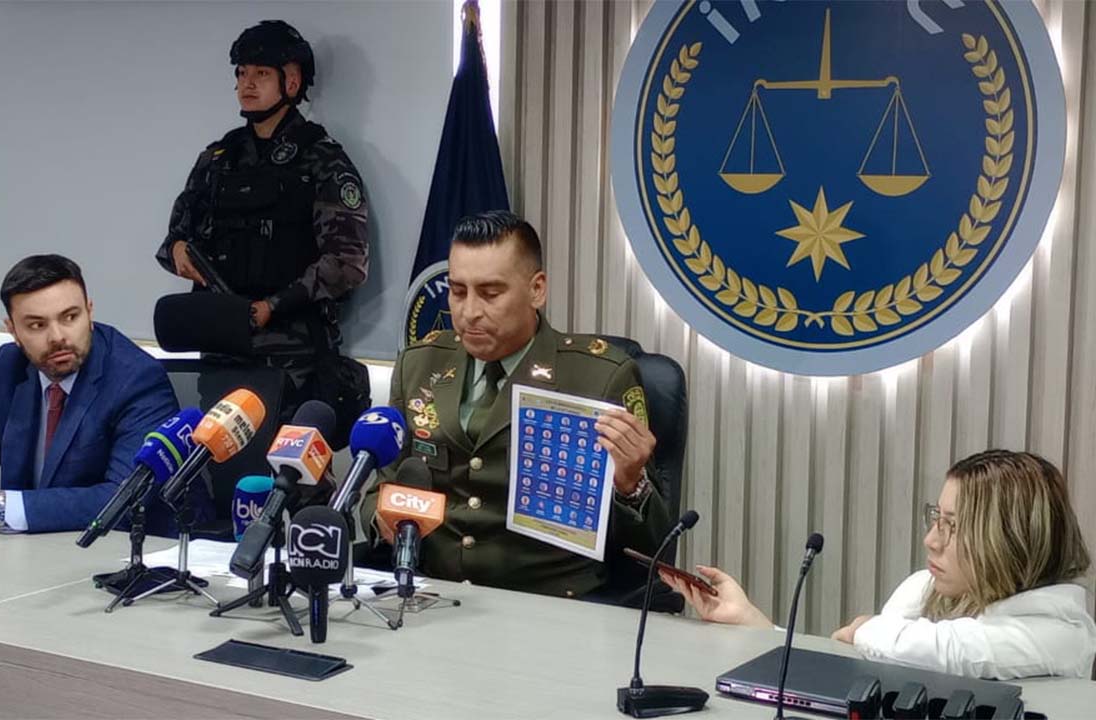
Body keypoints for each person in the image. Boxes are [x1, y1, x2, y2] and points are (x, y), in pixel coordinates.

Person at [360, 210, 673, 599]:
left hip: (547, 602)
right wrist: (380, 517)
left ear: (537, 290)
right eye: (458, 291)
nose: (469, 311)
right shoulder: (420, 363)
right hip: (429, 592)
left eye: (490, 294)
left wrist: (630, 486)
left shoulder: (599, 377)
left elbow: (654, 545)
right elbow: (383, 482)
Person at [663, 450, 1096, 679]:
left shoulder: (1064, 631)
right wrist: (753, 625)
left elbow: (956, 653)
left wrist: (868, 629)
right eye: (936, 519)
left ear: (1010, 541)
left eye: (952, 526)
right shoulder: (925, 588)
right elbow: (852, 670)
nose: (931, 540)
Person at [156, 19, 369, 443]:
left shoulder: (322, 160)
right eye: (241, 73)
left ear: (292, 81)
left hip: (293, 355)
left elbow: (347, 263)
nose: (246, 84)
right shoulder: (218, 159)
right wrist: (178, 250)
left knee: (287, 467)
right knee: (217, 459)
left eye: (260, 73)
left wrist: (272, 306)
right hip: (222, 346)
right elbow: (174, 237)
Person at [0, 255, 187, 535]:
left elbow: (123, 500)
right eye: (37, 325)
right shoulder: (8, 366)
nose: (58, 337)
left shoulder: (136, 378)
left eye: (70, 317)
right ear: (13, 330)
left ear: (89, 313)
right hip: (30, 552)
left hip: (124, 551)